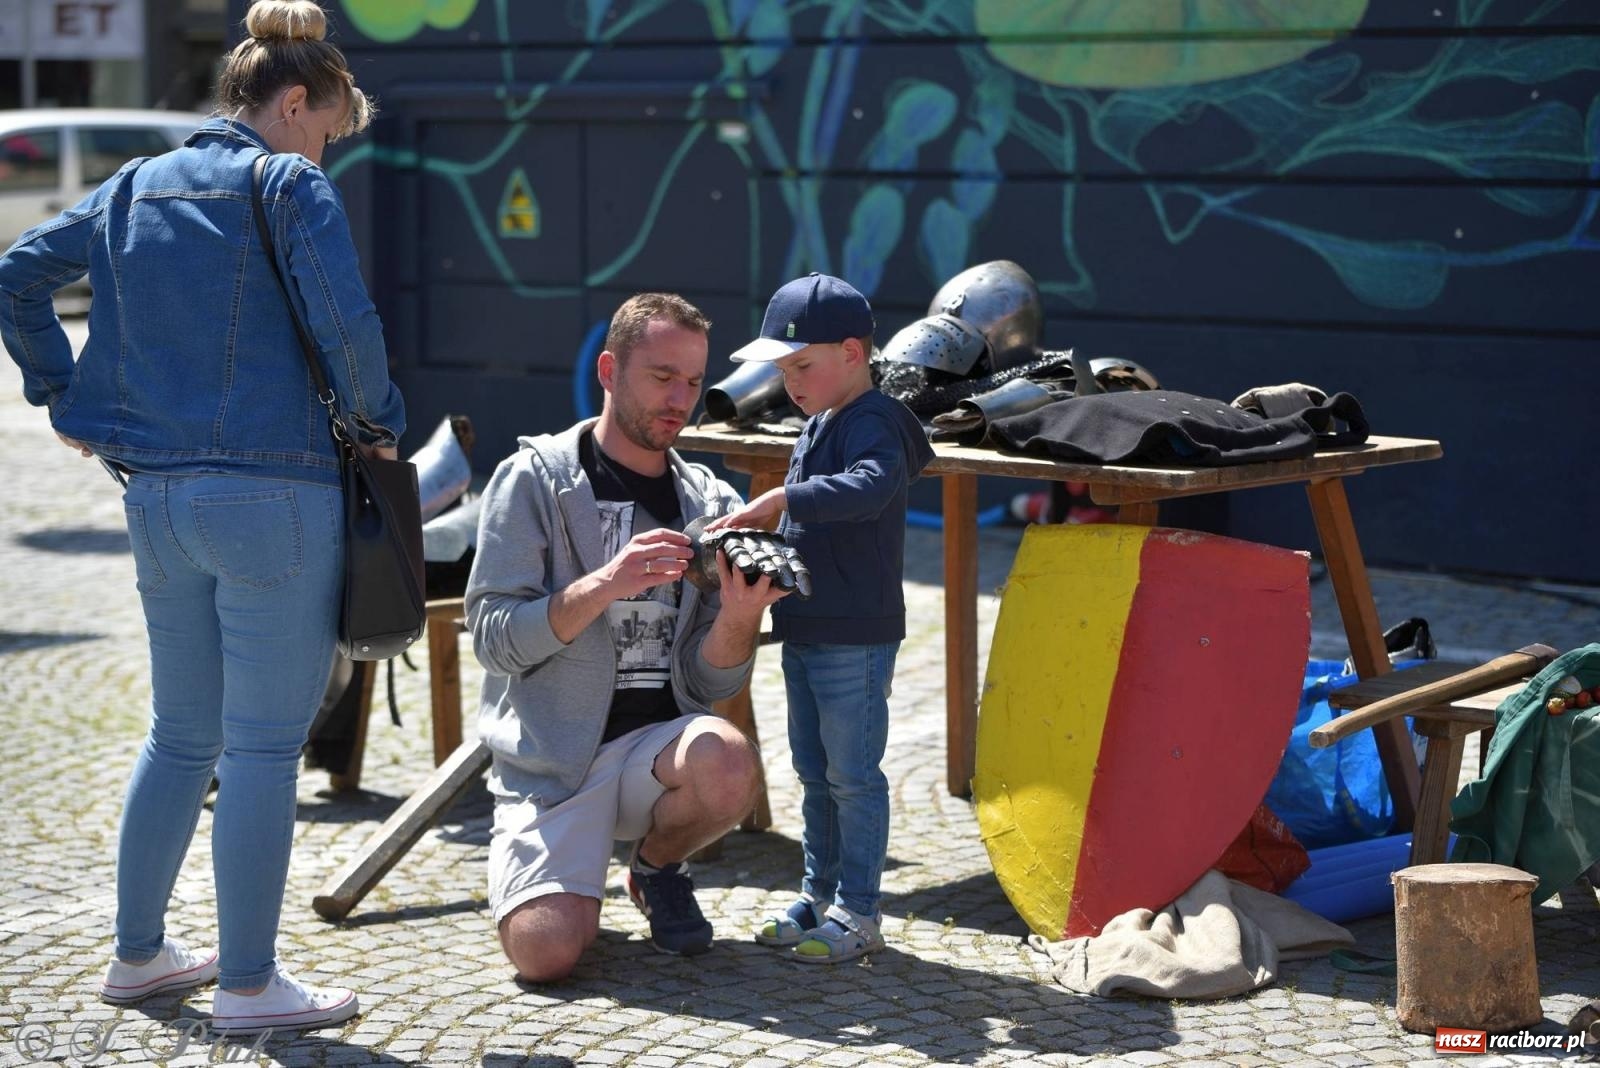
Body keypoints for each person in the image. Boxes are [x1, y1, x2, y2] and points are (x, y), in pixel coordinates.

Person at [0, 0, 401, 1034]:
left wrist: (65, 397)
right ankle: (252, 983)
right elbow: (345, 327)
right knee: (263, 749)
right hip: (276, 495)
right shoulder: (287, 179)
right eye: (323, 125)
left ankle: (139, 955)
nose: (323, 148)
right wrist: (377, 425)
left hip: (159, 498)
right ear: (295, 100)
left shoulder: (135, 184)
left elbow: (17, 274)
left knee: (180, 734)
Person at [467, 292, 786, 982]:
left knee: (729, 763)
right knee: (547, 954)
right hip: (554, 768)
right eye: (662, 377)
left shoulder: (712, 505)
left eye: (694, 383)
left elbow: (712, 686)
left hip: (656, 753)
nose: (681, 399)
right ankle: (559, 883)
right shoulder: (533, 481)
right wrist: (605, 584)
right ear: (610, 371)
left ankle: (656, 866)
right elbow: (492, 639)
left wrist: (739, 616)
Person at [709, 273, 934, 962]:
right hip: (807, 629)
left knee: (853, 778)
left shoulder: (875, 421)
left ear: (851, 353)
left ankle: (860, 912)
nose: (792, 382)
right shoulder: (819, 420)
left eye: (801, 366)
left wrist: (781, 498)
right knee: (813, 772)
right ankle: (818, 896)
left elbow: (867, 489)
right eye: (783, 369)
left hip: (856, 638)